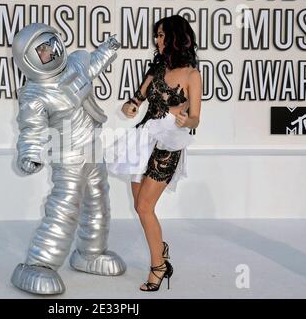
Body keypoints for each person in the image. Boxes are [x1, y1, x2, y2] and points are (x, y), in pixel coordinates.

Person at [10, 23, 126, 295]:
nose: (50, 51)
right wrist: (30, 153)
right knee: (65, 207)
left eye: (51, 44)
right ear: (29, 60)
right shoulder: (35, 93)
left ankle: (91, 252)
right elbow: (32, 128)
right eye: (42, 50)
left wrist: (107, 50)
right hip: (68, 154)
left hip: (93, 150)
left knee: (98, 200)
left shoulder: (76, 64)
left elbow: (94, 65)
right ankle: (39, 263)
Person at [120, 15, 202, 292]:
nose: (157, 40)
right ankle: (161, 249)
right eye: (156, 35)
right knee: (140, 207)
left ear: (177, 38)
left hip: (169, 143)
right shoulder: (156, 69)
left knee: (144, 207)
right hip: (143, 140)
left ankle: (158, 266)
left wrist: (185, 121)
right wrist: (129, 107)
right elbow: (137, 99)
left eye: (162, 35)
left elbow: (195, 119)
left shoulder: (192, 74)